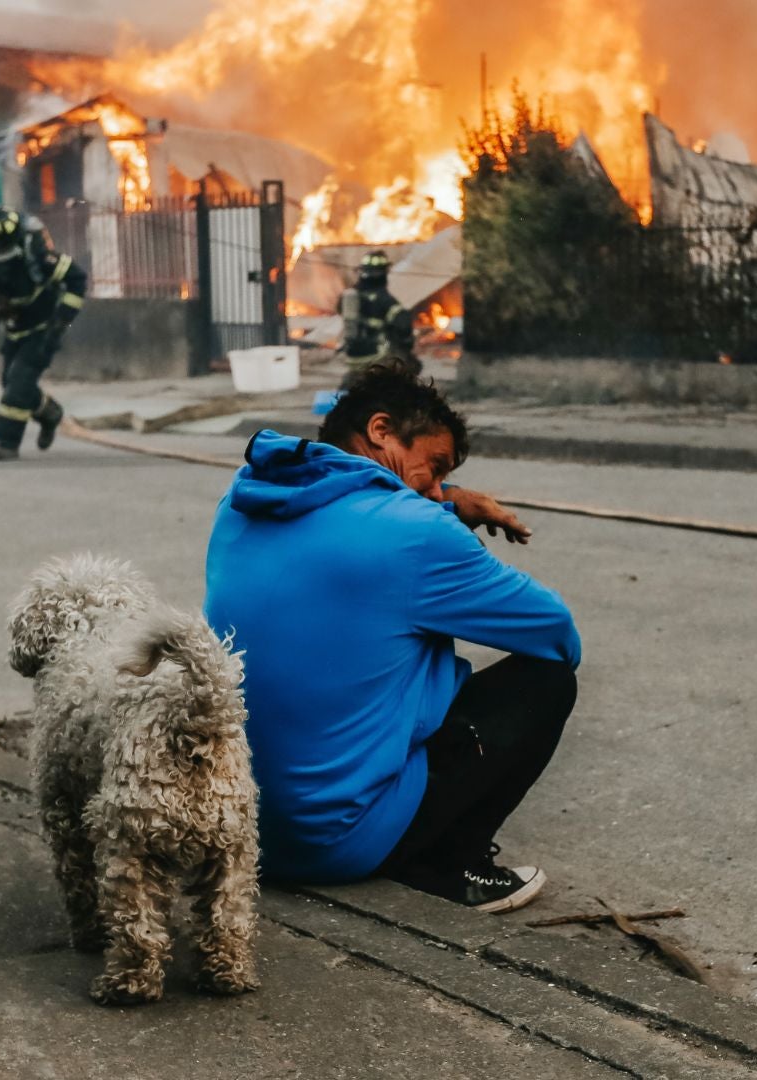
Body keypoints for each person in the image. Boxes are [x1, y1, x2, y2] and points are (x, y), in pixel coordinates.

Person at [202, 364, 579, 913]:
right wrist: (442, 519)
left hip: (237, 830)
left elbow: (347, 539)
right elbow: (556, 634)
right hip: (332, 845)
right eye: (434, 467)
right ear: (381, 430)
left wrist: (445, 501)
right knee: (545, 683)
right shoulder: (415, 532)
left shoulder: (241, 502)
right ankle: (451, 865)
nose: (432, 487)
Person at [0, 206, 88, 462]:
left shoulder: (37, 256)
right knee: (12, 384)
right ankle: (50, 413)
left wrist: (61, 324)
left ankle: (7, 443)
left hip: (44, 328)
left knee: (18, 384)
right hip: (15, 327)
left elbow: (77, 279)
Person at [338, 251, 420, 379]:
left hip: (351, 356)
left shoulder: (349, 297)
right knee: (413, 365)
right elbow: (404, 325)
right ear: (384, 273)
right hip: (377, 355)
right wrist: (405, 344)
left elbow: (341, 312)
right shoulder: (385, 300)